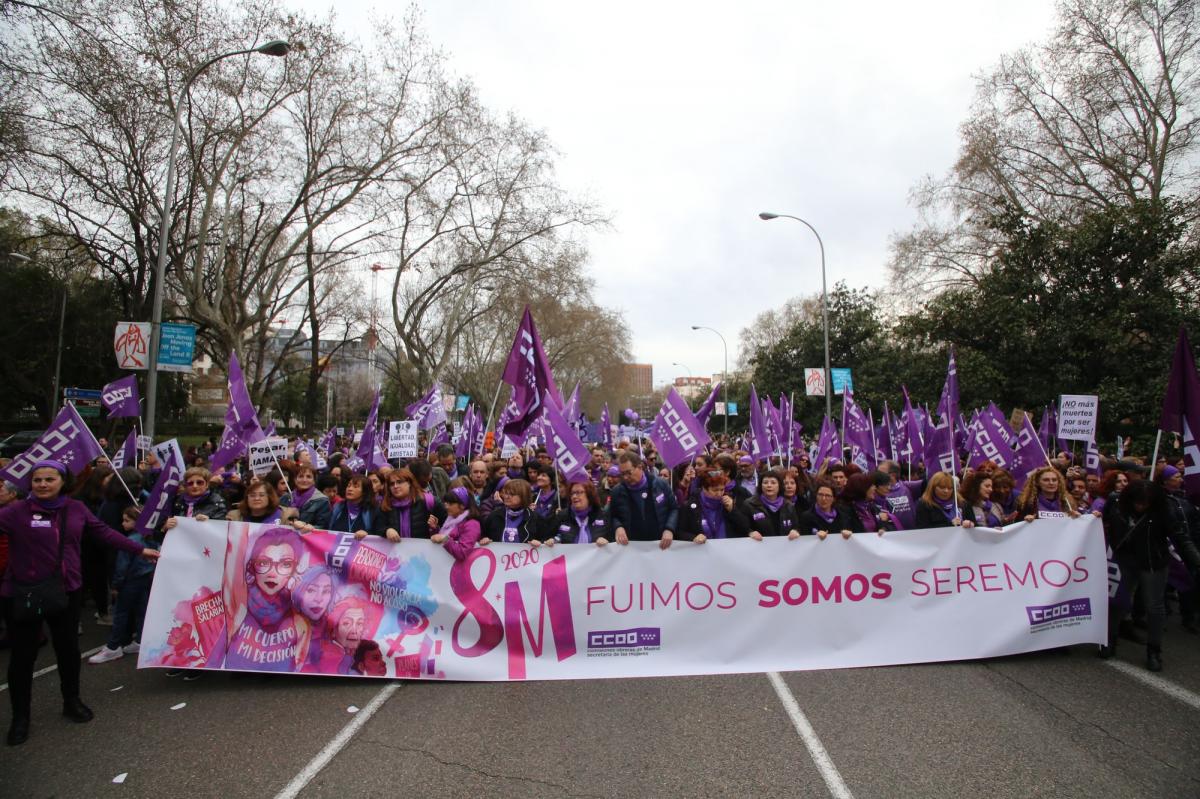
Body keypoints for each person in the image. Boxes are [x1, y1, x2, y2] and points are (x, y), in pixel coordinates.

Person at [1, 461, 159, 746]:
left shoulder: (76, 509)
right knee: (22, 658)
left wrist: (140, 549)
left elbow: (105, 533)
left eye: (50, 479)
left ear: (63, 482)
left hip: (66, 590)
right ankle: (20, 717)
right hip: (24, 593)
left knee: (68, 651)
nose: (43, 484)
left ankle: (71, 701)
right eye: (37, 480)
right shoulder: (15, 512)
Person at [1102, 479, 1200, 670]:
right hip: (1125, 562)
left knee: (1154, 607)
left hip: (1153, 564)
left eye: (1145, 502)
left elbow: (1181, 539)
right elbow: (1102, 524)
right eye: (1137, 502)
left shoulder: (1164, 511)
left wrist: (1197, 560)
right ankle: (1109, 640)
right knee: (1118, 602)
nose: (1140, 506)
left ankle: (1154, 651)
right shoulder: (1115, 505)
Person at [88, 506, 158, 664]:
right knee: (141, 611)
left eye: (127, 520)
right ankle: (140, 640)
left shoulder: (130, 541)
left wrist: (115, 585)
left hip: (130, 581)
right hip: (145, 579)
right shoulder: (150, 538)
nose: (123, 523)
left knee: (121, 613)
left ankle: (113, 647)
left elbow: (122, 566)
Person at [608, 451, 678, 549]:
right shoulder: (617, 492)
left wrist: (669, 529)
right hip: (632, 548)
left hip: (660, 545)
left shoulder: (660, 484)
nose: (625, 477)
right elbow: (613, 516)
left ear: (640, 467)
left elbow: (673, 509)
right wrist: (618, 527)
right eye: (622, 474)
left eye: (629, 472)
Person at [677, 470, 746, 543]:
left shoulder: (728, 502)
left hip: (726, 549)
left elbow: (745, 527)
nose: (719, 494)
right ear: (704, 488)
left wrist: (732, 510)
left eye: (722, 489)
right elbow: (679, 532)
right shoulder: (689, 506)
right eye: (715, 490)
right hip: (702, 551)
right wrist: (693, 537)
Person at [380, 469, 444, 542]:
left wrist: (435, 529)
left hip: (425, 551)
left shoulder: (429, 500)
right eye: (391, 484)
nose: (395, 486)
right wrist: (387, 530)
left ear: (409, 483)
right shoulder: (385, 505)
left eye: (399, 482)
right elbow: (378, 527)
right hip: (394, 551)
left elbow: (449, 524)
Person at [737, 469, 800, 540]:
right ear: (760, 485)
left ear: (779, 485)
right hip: (759, 547)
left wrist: (795, 531)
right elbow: (742, 527)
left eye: (773, 483)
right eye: (765, 482)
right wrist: (750, 532)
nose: (769, 485)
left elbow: (796, 527)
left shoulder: (789, 506)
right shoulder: (749, 504)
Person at [163, 467, 228, 532]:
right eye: (190, 483)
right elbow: (159, 530)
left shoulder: (217, 502)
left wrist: (209, 522)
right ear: (185, 486)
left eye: (199, 482)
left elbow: (222, 530)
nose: (195, 486)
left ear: (207, 484)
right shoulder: (176, 501)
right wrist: (165, 527)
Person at [481, 478, 544, 545]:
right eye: (506, 493)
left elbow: (545, 539)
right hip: (498, 555)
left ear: (524, 496)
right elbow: (484, 535)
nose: (507, 497)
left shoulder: (534, 518)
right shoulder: (495, 516)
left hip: (524, 555)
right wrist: (485, 539)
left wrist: (539, 542)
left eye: (512, 494)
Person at [547, 481, 610, 545]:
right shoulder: (563, 515)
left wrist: (606, 542)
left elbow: (614, 542)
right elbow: (548, 537)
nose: (574, 496)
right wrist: (552, 540)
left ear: (589, 494)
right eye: (572, 493)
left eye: (579, 492)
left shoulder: (602, 515)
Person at [433, 485, 482, 560]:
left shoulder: (472, 524)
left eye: (450, 504)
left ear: (462, 505)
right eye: (446, 503)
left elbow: (463, 553)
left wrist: (446, 539)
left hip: (459, 570)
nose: (446, 507)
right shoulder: (450, 520)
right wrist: (435, 529)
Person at [227, 479, 299, 525]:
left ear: (269, 497)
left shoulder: (285, 517)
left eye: (261, 495)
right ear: (246, 498)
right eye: (252, 495)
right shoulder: (233, 518)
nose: (257, 498)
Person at [283, 464, 332, 529]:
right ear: (295, 479)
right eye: (301, 476)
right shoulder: (286, 497)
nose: (304, 480)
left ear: (314, 481)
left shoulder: (322, 500)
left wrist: (305, 527)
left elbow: (323, 527)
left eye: (308, 477)